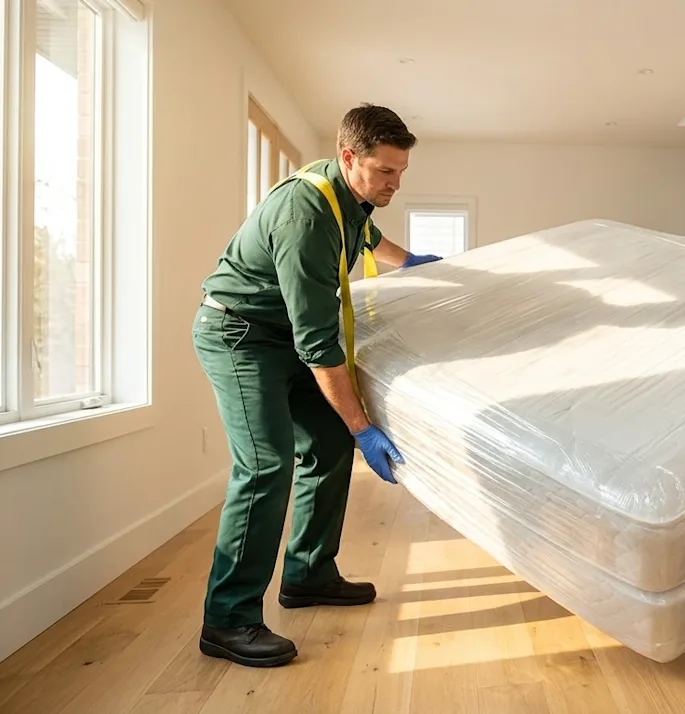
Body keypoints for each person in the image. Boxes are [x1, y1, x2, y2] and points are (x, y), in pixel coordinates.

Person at [192, 103, 441, 668]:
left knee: (327, 445)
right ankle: (227, 618)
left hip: (283, 335)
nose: (395, 183)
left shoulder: (345, 195)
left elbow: (367, 234)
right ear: (349, 156)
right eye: (385, 171)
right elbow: (320, 346)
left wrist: (409, 262)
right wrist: (364, 426)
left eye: (401, 171)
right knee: (265, 464)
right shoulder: (305, 216)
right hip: (239, 334)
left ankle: (308, 574)